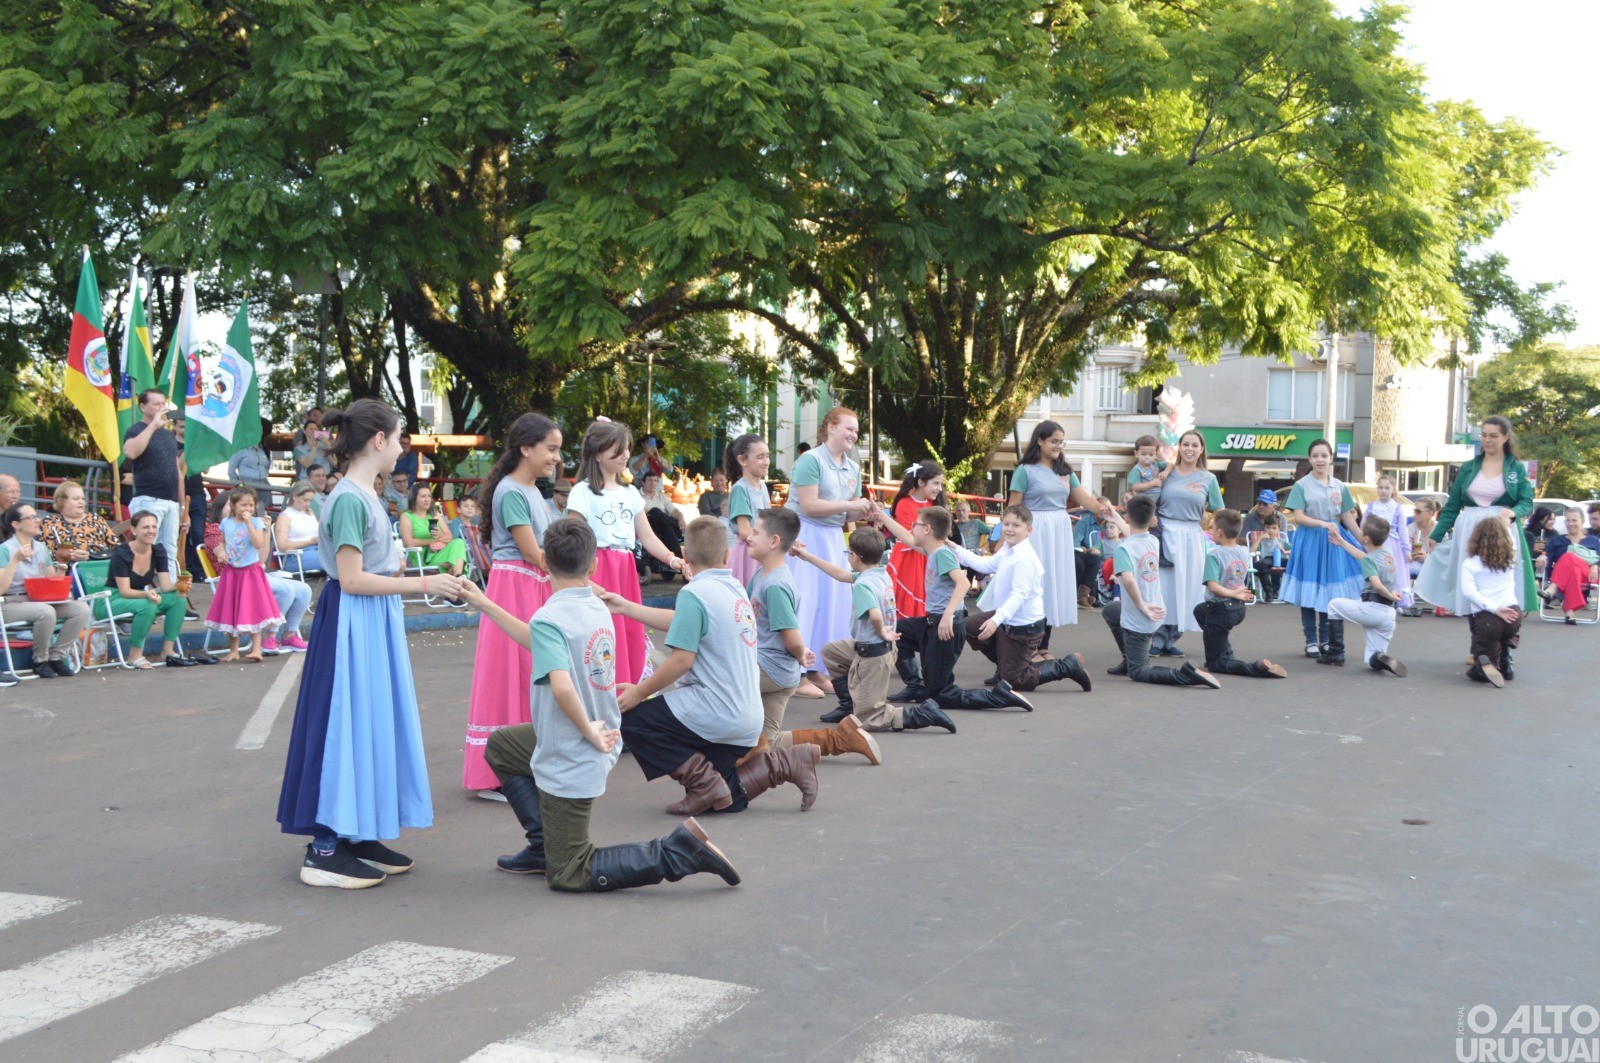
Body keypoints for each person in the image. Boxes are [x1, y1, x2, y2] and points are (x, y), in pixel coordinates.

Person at [460, 518, 741, 892]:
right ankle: (545, 846)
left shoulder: (551, 618)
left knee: (570, 872)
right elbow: (540, 641)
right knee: (502, 747)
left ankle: (675, 852)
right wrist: (484, 603)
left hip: (575, 746)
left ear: (543, 562)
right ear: (593, 566)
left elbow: (561, 687)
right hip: (596, 734)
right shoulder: (594, 606)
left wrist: (586, 730)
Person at [277, 399, 469, 889]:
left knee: (367, 724)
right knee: (342, 725)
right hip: (351, 623)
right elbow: (352, 579)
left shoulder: (360, 494)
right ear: (378, 441)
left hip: (369, 620)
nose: (404, 447)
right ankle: (324, 848)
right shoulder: (348, 497)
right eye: (400, 437)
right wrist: (425, 585)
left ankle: (355, 834)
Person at [603, 516, 821, 814]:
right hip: (746, 719)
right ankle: (784, 763)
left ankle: (703, 783)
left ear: (685, 557)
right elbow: (686, 622)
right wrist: (626, 607)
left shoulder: (695, 593)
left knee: (634, 720)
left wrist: (640, 693)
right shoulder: (734, 588)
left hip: (717, 714)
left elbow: (682, 659)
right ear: (727, 555)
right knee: (727, 799)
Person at [463, 412, 563, 797]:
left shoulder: (531, 491)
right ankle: (500, 770)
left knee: (528, 673)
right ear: (526, 448)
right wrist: (575, 577)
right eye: (550, 449)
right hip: (515, 586)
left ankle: (521, 763)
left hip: (530, 585)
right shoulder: (512, 491)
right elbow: (534, 553)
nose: (555, 457)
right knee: (511, 672)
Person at [742, 506, 880, 763]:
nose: (749, 536)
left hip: (771, 668)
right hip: (773, 667)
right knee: (768, 742)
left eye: (756, 532)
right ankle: (842, 738)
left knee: (717, 685)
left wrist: (801, 652)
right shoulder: (763, 574)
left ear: (774, 541)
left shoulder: (775, 585)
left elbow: (792, 636)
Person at [793, 525, 958, 733]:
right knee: (831, 652)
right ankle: (848, 706)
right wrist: (808, 557)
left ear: (855, 557)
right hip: (877, 647)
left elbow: (875, 614)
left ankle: (922, 714)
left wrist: (881, 631)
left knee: (870, 717)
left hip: (873, 654)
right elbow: (841, 575)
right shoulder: (880, 574)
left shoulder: (863, 585)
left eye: (848, 552)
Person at [565, 418, 684, 685]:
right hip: (595, 568)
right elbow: (572, 539)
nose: (625, 456)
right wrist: (583, 579)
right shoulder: (581, 492)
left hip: (625, 569)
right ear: (597, 453)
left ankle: (625, 694)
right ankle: (597, 696)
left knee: (627, 629)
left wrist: (672, 559)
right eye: (617, 451)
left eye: (626, 449)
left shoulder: (630, 493)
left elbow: (648, 536)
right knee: (598, 634)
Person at [953, 503, 1094, 697]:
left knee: (1015, 681)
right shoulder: (1008, 549)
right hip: (1008, 618)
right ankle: (1004, 666)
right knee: (968, 627)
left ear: (1029, 530)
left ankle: (1066, 666)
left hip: (1024, 627)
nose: (1009, 529)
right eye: (1006, 524)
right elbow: (985, 565)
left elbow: (1018, 596)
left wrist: (995, 621)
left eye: (1016, 525)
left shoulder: (1024, 558)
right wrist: (954, 547)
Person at [784, 407, 874, 699]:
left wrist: (855, 541)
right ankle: (794, 674)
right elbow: (810, 505)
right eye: (848, 428)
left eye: (856, 431)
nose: (853, 435)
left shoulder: (852, 467)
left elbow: (850, 509)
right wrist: (853, 505)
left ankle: (817, 668)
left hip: (833, 538)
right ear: (831, 427)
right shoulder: (810, 460)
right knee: (805, 602)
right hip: (806, 534)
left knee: (832, 603)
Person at [1008, 421, 1116, 651]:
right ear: (1040, 440)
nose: (1058, 446)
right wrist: (1005, 539)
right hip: (1033, 530)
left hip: (1058, 530)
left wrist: (1106, 510)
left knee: (1050, 586)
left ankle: (1043, 647)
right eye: (1054, 441)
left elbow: (1085, 499)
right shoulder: (1024, 470)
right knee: (1031, 585)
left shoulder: (1065, 472)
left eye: (1061, 441)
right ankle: (1026, 647)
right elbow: (1013, 507)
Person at [1415, 416, 1537, 616]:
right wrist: (1436, 535)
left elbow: (1526, 501)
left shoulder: (1516, 468)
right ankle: (1476, 624)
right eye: (1484, 435)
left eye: (1493, 436)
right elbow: (1453, 505)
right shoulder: (1469, 467)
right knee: (1470, 576)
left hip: (1501, 529)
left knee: (1500, 574)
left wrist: (1512, 512)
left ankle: (1504, 626)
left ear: (1505, 437)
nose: (1487, 440)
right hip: (1469, 528)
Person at [1100, 494, 1221, 688]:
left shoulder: (1123, 549)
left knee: (1139, 671)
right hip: (1156, 613)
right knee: (1111, 610)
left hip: (1139, 617)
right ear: (1153, 519)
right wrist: (1116, 517)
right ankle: (1128, 658)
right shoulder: (1153, 542)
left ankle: (1185, 674)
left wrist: (1141, 606)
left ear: (1128, 518)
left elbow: (1129, 580)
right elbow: (1134, 534)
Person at [1279, 438, 1365, 659]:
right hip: (1310, 540)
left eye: (1324, 455)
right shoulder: (1302, 485)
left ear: (1331, 458)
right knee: (1309, 589)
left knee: (1331, 591)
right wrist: (1322, 524)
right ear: (1310, 458)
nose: (1320, 460)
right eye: (1315, 455)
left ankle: (1326, 639)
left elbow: (1347, 515)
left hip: (1334, 541)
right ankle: (1310, 641)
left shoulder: (1339, 486)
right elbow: (1298, 516)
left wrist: (1364, 540)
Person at [1147, 429, 1224, 657]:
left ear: (1201, 450)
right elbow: (1148, 497)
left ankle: (1172, 638)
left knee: (1187, 587)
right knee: (1164, 586)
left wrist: (1217, 529)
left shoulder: (1208, 479)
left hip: (1191, 536)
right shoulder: (1166, 474)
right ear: (1179, 447)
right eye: (1186, 444)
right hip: (1165, 533)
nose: (1190, 449)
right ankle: (1157, 637)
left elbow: (1219, 510)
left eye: (1194, 445)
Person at [1191, 509, 1289, 679]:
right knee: (1200, 612)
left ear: (1220, 532)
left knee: (1218, 664)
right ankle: (1222, 651)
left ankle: (1257, 668)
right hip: (1238, 608)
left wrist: (1231, 593)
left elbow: (1213, 587)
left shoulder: (1214, 554)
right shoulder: (1243, 551)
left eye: (1212, 528)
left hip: (1221, 608)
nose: (1210, 531)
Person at [0, 502, 90, 678]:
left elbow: (50, 581)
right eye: (31, 518)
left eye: (36, 516)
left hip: (38, 599)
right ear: (16, 524)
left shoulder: (41, 548)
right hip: (10, 602)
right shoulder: (6, 550)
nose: (37, 520)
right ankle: (40, 660)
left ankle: (56, 656)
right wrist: (15, 560)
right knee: (46, 612)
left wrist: (62, 567)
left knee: (81, 609)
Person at [885, 460, 947, 702]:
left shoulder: (935, 504)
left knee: (926, 612)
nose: (939, 488)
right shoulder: (904, 504)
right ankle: (913, 677)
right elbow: (912, 537)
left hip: (929, 558)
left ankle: (925, 672)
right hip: (910, 561)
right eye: (935, 483)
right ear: (921, 482)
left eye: (940, 484)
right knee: (905, 614)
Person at [206, 487, 284, 662]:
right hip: (232, 572)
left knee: (254, 607)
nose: (248, 509)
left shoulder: (256, 522)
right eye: (243, 505)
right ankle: (234, 650)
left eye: (251, 505)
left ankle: (256, 649)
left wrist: (249, 523)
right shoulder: (226, 523)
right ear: (233, 506)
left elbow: (257, 544)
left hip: (250, 572)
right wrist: (222, 553)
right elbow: (223, 542)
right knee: (231, 608)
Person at [104, 510, 190, 668]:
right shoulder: (122, 553)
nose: (151, 531)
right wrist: (146, 594)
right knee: (148, 604)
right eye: (145, 527)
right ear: (134, 530)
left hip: (140, 597)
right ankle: (134, 655)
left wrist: (179, 585)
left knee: (179, 597)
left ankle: (168, 651)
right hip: (112, 599)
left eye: (154, 526)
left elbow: (164, 587)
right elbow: (124, 591)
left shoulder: (158, 550)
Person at [1325, 514, 1407, 676]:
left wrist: (1390, 595)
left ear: (1367, 539)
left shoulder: (1370, 560)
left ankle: (1335, 653)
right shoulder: (1388, 554)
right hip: (1388, 615)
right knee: (1372, 657)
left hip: (1371, 608)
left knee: (1333, 605)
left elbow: (1376, 585)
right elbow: (1364, 557)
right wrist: (1342, 543)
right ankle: (1380, 658)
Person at [121, 388, 188, 581]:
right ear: (143, 407)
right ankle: (139, 593)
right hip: (148, 499)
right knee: (145, 548)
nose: (162, 407)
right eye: (157, 404)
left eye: (163, 403)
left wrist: (182, 507)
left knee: (169, 550)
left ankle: (171, 599)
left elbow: (178, 474)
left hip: (171, 502)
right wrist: (153, 426)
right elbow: (131, 453)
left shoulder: (168, 436)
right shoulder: (135, 430)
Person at [1459, 517, 1522, 688]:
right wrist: (1506, 525)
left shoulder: (1470, 563)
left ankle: (1485, 667)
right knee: (1506, 634)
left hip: (1488, 618)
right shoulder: (1510, 557)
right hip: (1513, 613)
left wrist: (1495, 609)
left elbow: (1470, 592)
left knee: (1486, 643)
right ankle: (1506, 662)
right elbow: (1512, 540)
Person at [1536, 507, 1600, 623]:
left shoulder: (1594, 540)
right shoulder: (1557, 540)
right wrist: (1542, 559)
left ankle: (1552, 589)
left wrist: (1596, 565)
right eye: (1568, 520)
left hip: (1588, 576)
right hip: (1566, 577)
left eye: (1574, 520)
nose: (1570, 524)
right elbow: (1547, 557)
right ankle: (1569, 613)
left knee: (1568, 555)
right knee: (1573, 569)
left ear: (1582, 521)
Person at [722, 433, 769, 588]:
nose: (766, 462)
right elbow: (744, 530)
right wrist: (769, 541)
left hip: (761, 550)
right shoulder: (740, 489)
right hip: (748, 555)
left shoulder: (763, 487)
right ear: (742, 460)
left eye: (767, 456)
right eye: (760, 457)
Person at [1362, 476, 1414, 610]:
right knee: (1377, 570)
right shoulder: (1372, 505)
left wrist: (1406, 549)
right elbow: (1364, 523)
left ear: (1393, 489)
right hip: (1374, 543)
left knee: (1391, 571)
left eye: (1387, 488)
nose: (1383, 491)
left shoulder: (1396, 507)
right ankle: (1377, 596)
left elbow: (1403, 529)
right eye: (1380, 487)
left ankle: (1395, 599)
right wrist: (1364, 540)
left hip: (1392, 544)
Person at [399, 481, 468, 578]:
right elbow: (409, 543)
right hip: (422, 557)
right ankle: (458, 579)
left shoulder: (434, 515)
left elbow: (450, 536)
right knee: (457, 559)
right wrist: (433, 541)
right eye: (423, 496)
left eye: (429, 496)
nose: (427, 500)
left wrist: (440, 535)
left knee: (458, 542)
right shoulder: (407, 516)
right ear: (414, 498)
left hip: (439, 553)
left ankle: (457, 577)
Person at [42, 480, 119, 562]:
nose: (81, 502)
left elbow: (116, 546)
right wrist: (69, 556)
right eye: (76, 499)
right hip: (70, 568)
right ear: (62, 501)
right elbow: (44, 554)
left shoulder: (96, 519)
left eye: (83, 499)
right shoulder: (50, 522)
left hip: (101, 564)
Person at [638, 469, 686, 578]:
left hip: (663, 526)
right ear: (643, 482)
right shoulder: (637, 495)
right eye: (650, 480)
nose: (653, 483)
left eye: (655, 481)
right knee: (655, 511)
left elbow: (674, 511)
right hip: (647, 525)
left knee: (668, 528)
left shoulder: (661, 496)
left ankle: (678, 560)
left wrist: (681, 519)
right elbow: (643, 512)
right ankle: (675, 528)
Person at [274, 481, 324, 574]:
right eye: (305, 500)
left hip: (316, 551)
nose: (308, 504)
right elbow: (282, 546)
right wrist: (310, 542)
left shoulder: (309, 512)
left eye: (310, 500)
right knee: (335, 560)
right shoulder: (285, 517)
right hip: (295, 556)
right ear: (295, 496)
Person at [227, 419, 275, 506]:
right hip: (247, 484)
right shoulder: (241, 448)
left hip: (264, 485)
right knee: (248, 510)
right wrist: (239, 486)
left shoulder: (264, 449)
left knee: (266, 511)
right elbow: (231, 470)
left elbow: (266, 467)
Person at [1251, 514, 1289, 603]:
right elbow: (1251, 551)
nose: (1271, 531)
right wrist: (1260, 538)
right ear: (1264, 528)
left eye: (1274, 528)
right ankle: (1269, 591)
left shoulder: (1282, 541)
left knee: (1293, 563)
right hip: (1267, 560)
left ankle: (1287, 591)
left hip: (1280, 559)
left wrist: (1284, 551)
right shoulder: (1262, 541)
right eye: (1268, 528)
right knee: (1258, 565)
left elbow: (1294, 551)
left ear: (1279, 529)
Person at [1124, 434, 1169, 499]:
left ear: (1155, 454)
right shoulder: (1137, 470)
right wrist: (1152, 483)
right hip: (1144, 503)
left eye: (1151, 454)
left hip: (1157, 502)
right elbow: (1135, 487)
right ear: (1136, 454)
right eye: (1143, 454)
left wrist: (1166, 472)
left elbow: (1170, 464)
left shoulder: (1155, 464)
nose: (1147, 457)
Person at [293, 413, 334, 479]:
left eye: (315, 429)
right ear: (304, 431)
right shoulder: (299, 448)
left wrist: (328, 444)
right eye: (311, 429)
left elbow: (334, 462)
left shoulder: (324, 445)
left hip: (324, 480)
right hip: (307, 481)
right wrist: (313, 449)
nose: (313, 431)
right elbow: (307, 465)